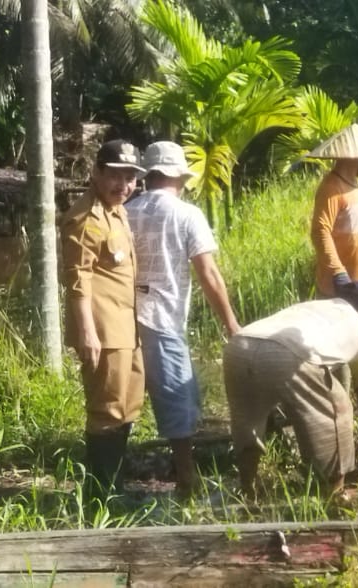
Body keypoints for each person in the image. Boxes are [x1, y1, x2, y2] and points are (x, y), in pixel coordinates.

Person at [125, 141, 240, 495]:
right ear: (178, 176)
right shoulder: (186, 215)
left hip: (125, 316)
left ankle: (112, 475)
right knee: (179, 397)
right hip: (163, 318)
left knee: (126, 396)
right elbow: (209, 274)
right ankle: (186, 478)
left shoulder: (127, 210)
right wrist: (232, 325)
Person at [224, 281, 358, 499]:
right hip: (287, 352)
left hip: (239, 346)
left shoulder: (317, 310)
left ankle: (247, 491)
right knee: (338, 413)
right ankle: (334, 496)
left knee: (248, 422)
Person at [61, 139, 146, 494]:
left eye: (130, 177)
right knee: (106, 411)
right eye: (114, 175)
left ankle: (118, 486)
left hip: (127, 329)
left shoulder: (117, 212)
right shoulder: (84, 219)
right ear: (95, 173)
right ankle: (100, 495)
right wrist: (88, 334)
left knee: (128, 408)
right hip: (104, 331)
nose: (123, 185)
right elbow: (77, 281)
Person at [306, 124, 358, 462]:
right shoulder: (330, 188)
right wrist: (339, 275)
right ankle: (347, 447)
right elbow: (320, 232)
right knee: (343, 371)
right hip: (343, 293)